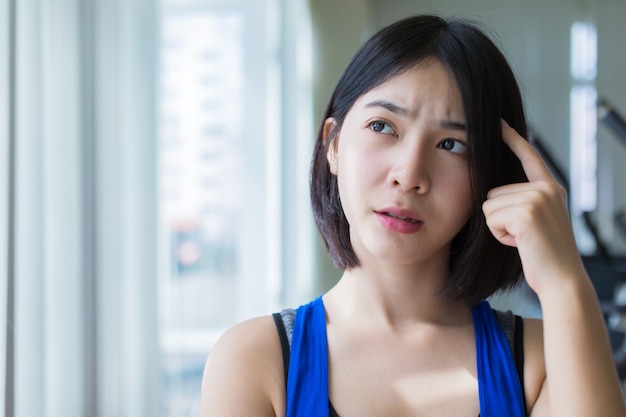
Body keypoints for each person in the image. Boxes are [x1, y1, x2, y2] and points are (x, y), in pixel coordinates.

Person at [200, 14, 626, 416]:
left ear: (490, 179)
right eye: (383, 126)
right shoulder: (256, 359)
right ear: (333, 144)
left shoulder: (544, 361)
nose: (409, 175)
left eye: (451, 145)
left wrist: (564, 280)